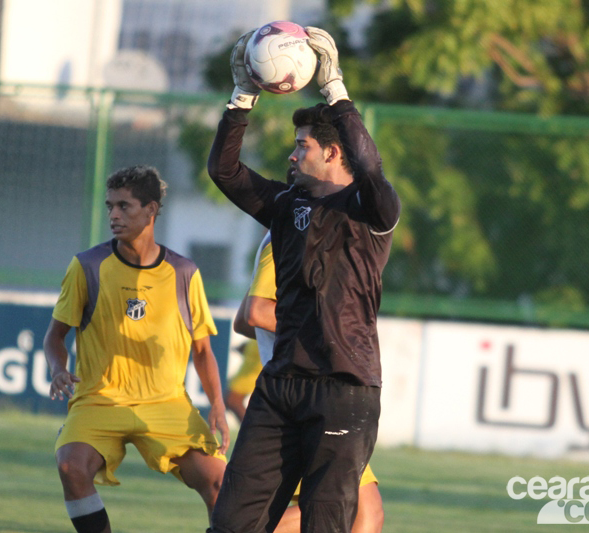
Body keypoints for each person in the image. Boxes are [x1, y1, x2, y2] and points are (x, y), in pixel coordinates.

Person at [207, 25, 400, 532]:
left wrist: (335, 88)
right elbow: (224, 172)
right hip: (280, 387)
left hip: (344, 388)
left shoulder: (370, 208)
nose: (292, 156)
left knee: (324, 524)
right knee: (231, 523)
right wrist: (241, 98)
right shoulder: (285, 205)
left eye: (303, 146)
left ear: (335, 153)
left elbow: (373, 169)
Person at [44, 165, 229, 533]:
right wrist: (57, 368)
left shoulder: (184, 272)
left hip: (165, 403)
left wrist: (219, 408)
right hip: (100, 399)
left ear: (151, 210)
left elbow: (204, 351)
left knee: (223, 487)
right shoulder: (88, 266)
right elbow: (55, 336)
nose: (113, 215)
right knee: (70, 466)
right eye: (110, 206)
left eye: (124, 206)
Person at [233, 231, 385, 533]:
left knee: (366, 509)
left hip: (320, 395)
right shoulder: (287, 234)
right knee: (355, 510)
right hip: (305, 398)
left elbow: (241, 321)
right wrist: (328, 329)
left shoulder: (312, 231)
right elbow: (256, 313)